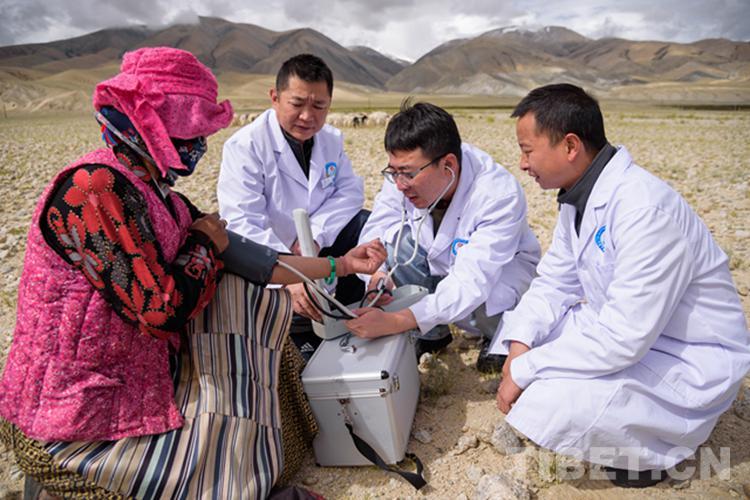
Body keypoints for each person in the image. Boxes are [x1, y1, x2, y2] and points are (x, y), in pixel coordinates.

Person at [0, 46, 385, 498]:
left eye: (200, 131)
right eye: (186, 130)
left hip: (141, 367)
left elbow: (254, 259)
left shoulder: (161, 194)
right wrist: (203, 245)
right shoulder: (92, 191)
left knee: (257, 312)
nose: (198, 143)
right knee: (211, 463)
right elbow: (160, 309)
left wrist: (342, 264)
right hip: (82, 396)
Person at [494, 83, 750, 487]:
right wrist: (520, 349)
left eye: (527, 150)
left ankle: (653, 453)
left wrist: (525, 370)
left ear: (570, 146)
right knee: (528, 344)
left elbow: (624, 338)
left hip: (685, 359)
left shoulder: (644, 210)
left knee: (547, 399)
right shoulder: (578, 199)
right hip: (637, 334)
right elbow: (553, 282)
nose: (523, 164)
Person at [346, 101, 541, 371]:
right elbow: (378, 226)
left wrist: (397, 321)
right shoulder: (403, 174)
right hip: (447, 267)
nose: (399, 185)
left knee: (489, 296)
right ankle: (432, 334)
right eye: (394, 172)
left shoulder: (497, 193)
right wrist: (376, 275)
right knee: (396, 245)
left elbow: (472, 280)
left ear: (448, 164)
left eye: (407, 174)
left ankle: (496, 335)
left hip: (497, 273)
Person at [218, 53, 368, 359]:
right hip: (272, 254)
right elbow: (243, 221)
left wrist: (316, 234)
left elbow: (350, 192)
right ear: (275, 97)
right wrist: (291, 272)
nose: (307, 116)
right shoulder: (246, 146)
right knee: (297, 324)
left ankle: (355, 313)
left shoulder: (331, 140)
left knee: (364, 224)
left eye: (319, 106)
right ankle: (298, 331)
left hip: (315, 245)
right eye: (297, 104)